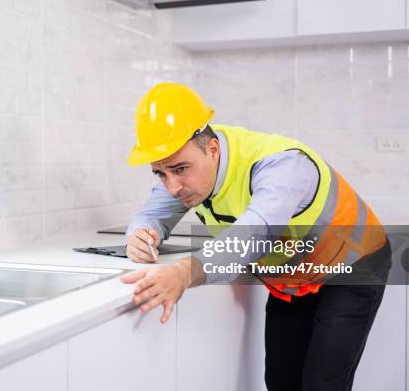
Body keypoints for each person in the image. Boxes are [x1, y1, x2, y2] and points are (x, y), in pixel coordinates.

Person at [120, 82, 392, 391]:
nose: (172, 187)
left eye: (179, 169)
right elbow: (151, 215)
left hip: (352, 267)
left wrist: (184, 273)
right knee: (280, 382)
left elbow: (255, 234)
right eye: (160, 173)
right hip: (293, 279)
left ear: (212, 150)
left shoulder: (281, 165)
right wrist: (141, 234)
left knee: (322, 384)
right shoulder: (186, 165)